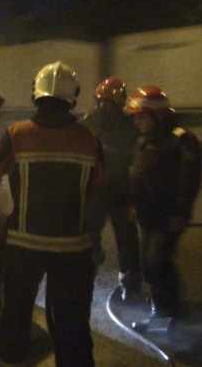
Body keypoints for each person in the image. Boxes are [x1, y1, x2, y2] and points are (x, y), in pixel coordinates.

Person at [0, 61, 102, 366]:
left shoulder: (17, 134)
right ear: (73, 96)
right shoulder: (89, 139)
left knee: (15, 317)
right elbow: (98, 190)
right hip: (74, 250)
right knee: (72, 326)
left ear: (35, 94)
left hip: (24, 249)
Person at [124, 86, 202, 324]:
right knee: (150, 265)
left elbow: (189, 179)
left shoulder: (181, 139)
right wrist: (133, 204)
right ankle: (167, 306)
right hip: (148, 214)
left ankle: (166, 315)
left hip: (168, 216)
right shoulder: (145, 140)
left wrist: (181, 212)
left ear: (157, 115)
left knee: (156, 263)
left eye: (141, 116)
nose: (137, 122)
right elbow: (137, 174)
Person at [81, 77, 142, 299]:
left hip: (118, 189)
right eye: (101, 101)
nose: (103, 106)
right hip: (102, 188)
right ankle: (90, 273)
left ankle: (129, 282)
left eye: (108, 102)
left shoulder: (128, 124)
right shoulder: (93, 121)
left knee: (125, 238)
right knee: (91, 235)